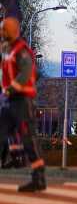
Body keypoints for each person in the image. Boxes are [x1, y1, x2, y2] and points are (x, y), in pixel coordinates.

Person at [0, 17, 46, 192]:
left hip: (22, 101)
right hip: (9, 100)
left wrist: (12, 88)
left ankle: (38, 177)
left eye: (4, 29)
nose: (2, 32)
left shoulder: (21, 50)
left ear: (12, 31)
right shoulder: (7, 50)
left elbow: (26, 72)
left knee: (28, 139)